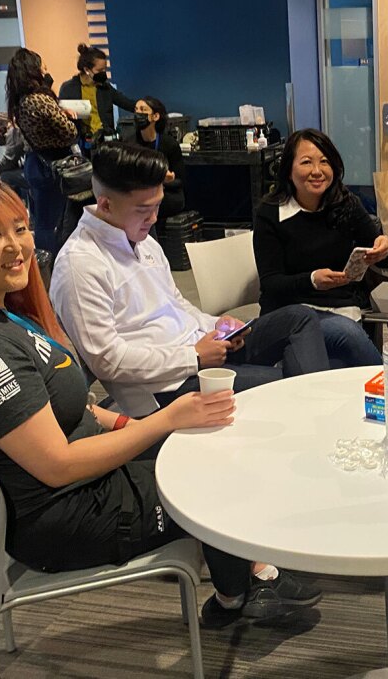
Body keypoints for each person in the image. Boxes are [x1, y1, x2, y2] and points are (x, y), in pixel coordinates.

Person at [0, 175, 321, 627]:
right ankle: (242, 591)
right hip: (69, 513)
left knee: (212, 438)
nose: (16, 245)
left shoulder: (2, 316)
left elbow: (74, 408)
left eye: (20, 228)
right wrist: (163, 421)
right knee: (215, 468)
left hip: (88, 479)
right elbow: (57, 464)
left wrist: (133, 426)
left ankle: (242, 582)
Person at [50, 142, 332, 418]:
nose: (154, 217)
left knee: (300, 318)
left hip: (201, 350)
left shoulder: (143, 241)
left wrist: (217, 326)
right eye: (143, 210)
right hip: (164, 388)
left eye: (157, 205)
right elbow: (107, 360)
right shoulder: (80, 264)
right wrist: (193, 357)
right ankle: (319, 425)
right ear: (106, 205)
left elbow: (176, 303)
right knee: (287, 384)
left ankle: (314, 417)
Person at [253, 129, 388, 368]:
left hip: (341, 309)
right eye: (306, 162)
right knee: (346, 335)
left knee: (323, 364)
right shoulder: (271, 213)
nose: (317, 171)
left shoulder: (345, 203)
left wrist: (386, 246)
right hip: (289, 313)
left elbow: (386, 259)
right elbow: (270, 282)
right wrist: (311, 280)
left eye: (324, 162)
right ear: (288, 169)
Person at [5, 47, 77, 255]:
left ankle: (45, 268)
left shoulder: (20, 101)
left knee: (43, 220)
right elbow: (69, 132)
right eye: (43, 66)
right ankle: (55, 267)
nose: (46, 70)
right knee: (55, 222)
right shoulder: (40, 99)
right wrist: (69, 117)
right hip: (53, 166)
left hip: (36, 163)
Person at [59, 43, 136, 147]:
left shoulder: (106, 87)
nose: (104, 73)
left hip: (105, 143)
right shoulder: (68, 88)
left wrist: (146, 107)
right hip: (81, 144)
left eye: (105, 69)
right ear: (87, 70)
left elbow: (126, 102)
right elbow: (61, 118)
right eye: (100, 70)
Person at [133, 96, 185, 225]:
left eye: (143, 110)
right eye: (136, 110)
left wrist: (162, 180)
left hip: (166, 195)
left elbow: (180, 180)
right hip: (138, 193)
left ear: (155, 117)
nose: (138, 113)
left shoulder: (169, 144)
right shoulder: (130, 143)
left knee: (146, 207)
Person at [0, 111, 30, 205]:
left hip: (35, 173)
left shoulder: (13, 132)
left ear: (0, 127)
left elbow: (8, 160)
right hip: (33, 170)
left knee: (5, 177)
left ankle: (14, 208)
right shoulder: (16, 129)